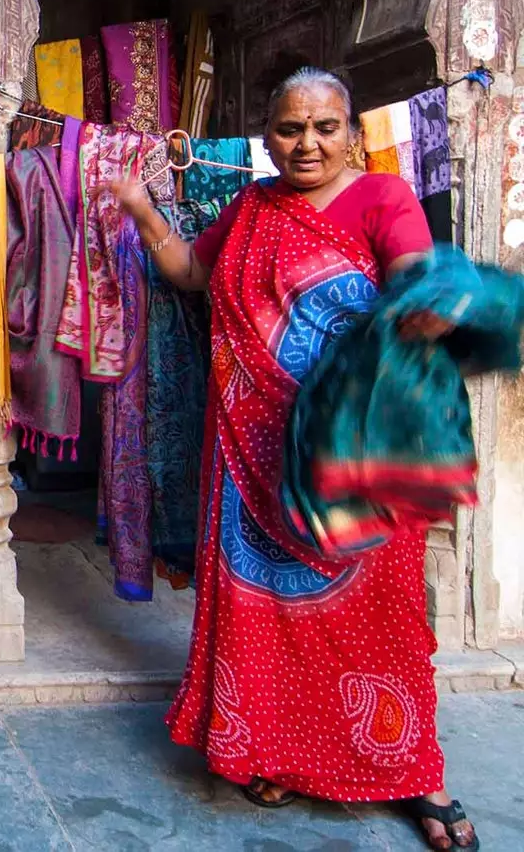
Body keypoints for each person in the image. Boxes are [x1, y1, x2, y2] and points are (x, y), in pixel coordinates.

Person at [108, 67, 478, 851]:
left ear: (349, 132)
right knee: (265, 615)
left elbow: (412, 286)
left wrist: (420, 319)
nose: (307, 144)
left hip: (351, 449)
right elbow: (192, 275)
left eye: (325, 127)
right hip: (249, 453)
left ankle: (414, 773)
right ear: (267, 135)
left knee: (382, 619)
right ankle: (274, 750)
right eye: (288, 128)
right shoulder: (250, 206)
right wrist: (142, 210)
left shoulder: (384, 200)